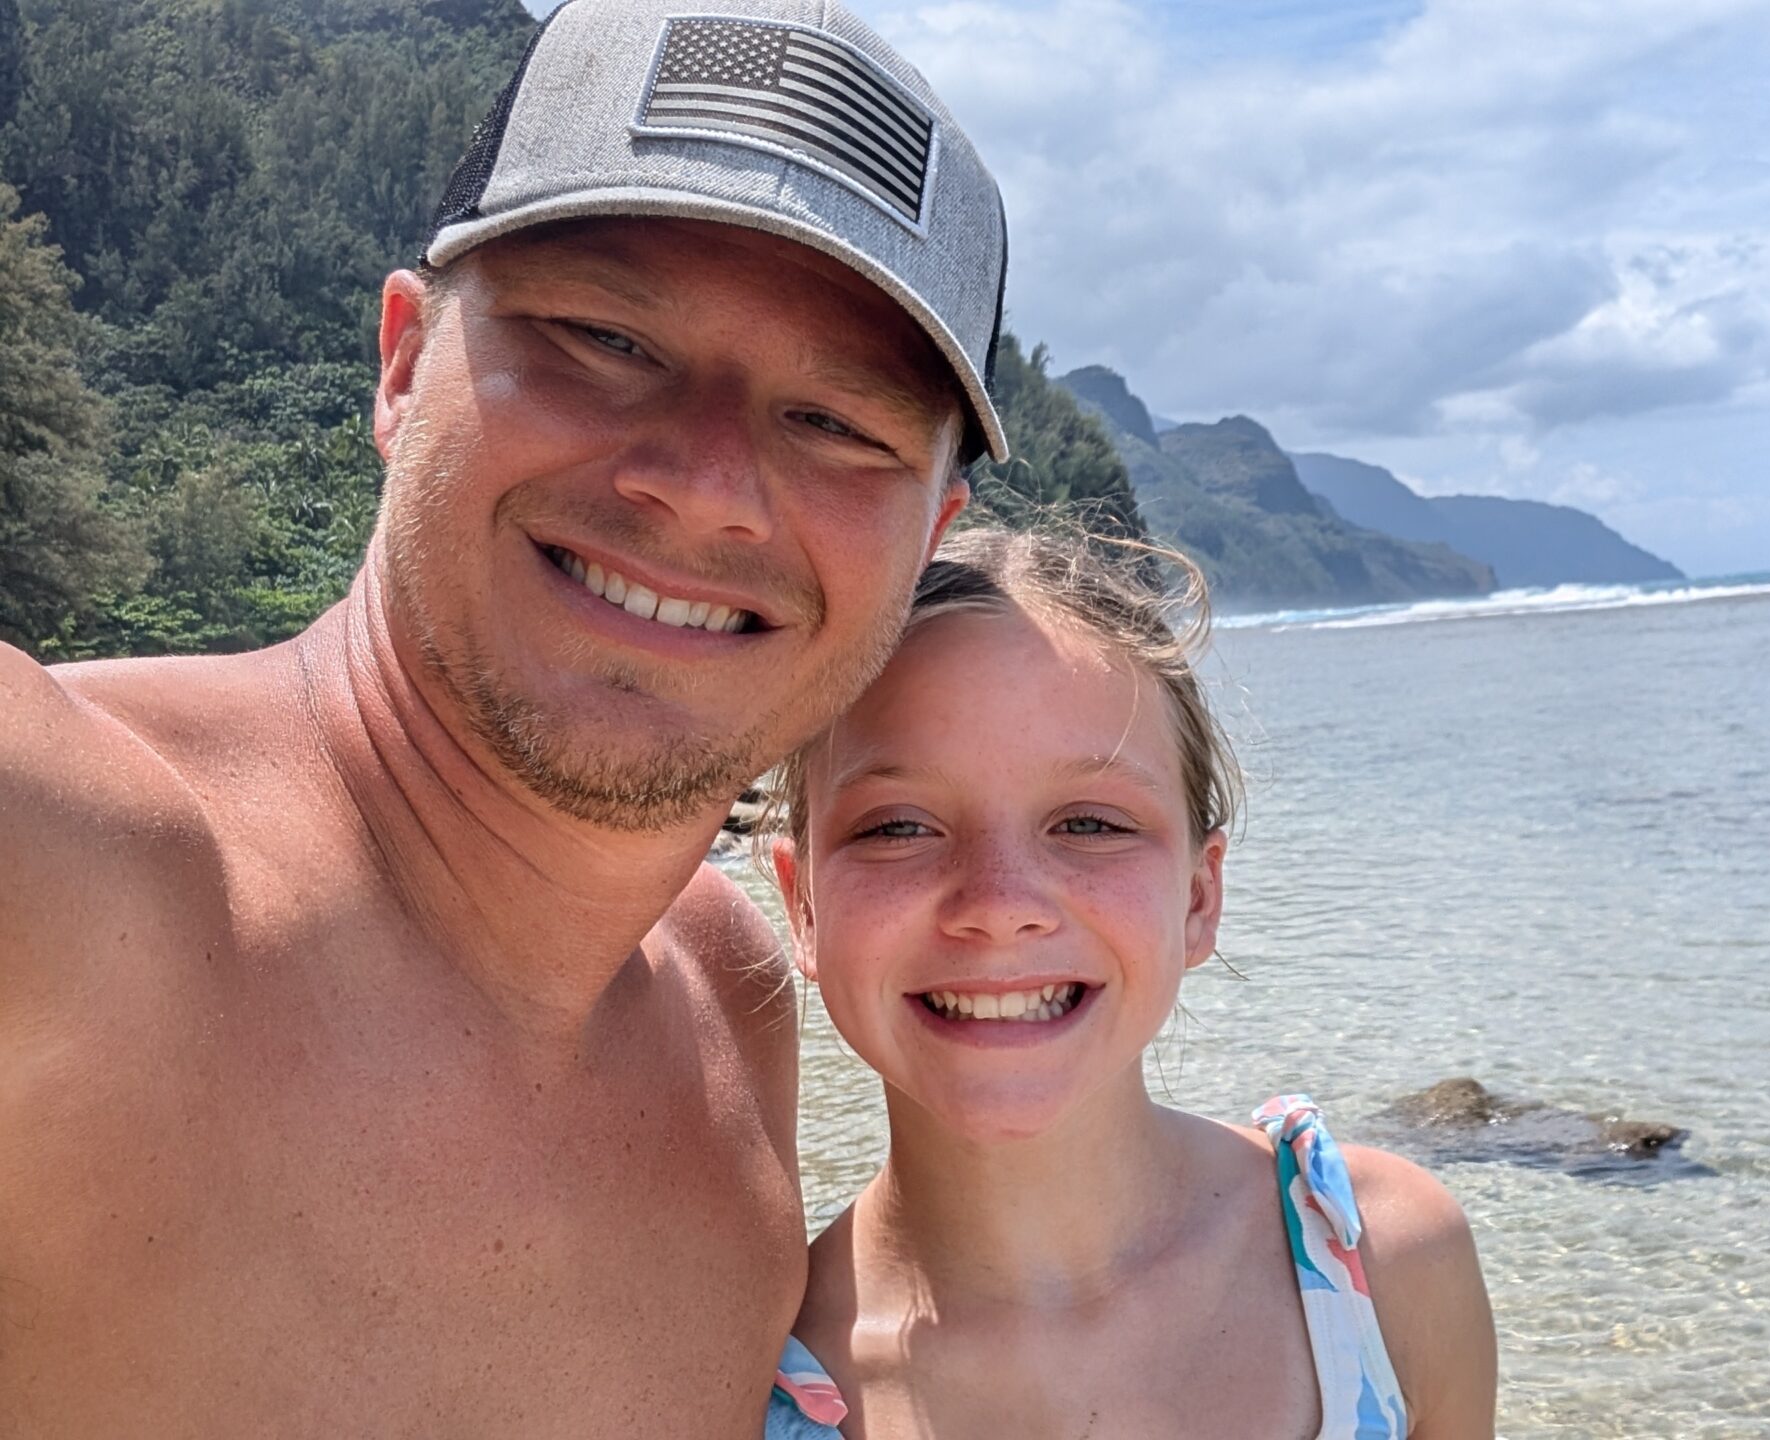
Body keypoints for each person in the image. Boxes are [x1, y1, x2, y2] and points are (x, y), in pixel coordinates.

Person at [0, 2, 1012, 1433]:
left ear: (931, 539)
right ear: (403, 363)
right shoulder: (81, 864)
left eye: (838, 423)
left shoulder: (732, 1011)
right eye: (605, 337)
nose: (710, 482)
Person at [769, 528, 1502, 1439]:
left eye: (1087, 822)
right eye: (898, 828)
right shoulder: (747, 1383)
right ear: (802, 907)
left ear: (1200, 895)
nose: (1000, 905)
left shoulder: (1384, 1263)